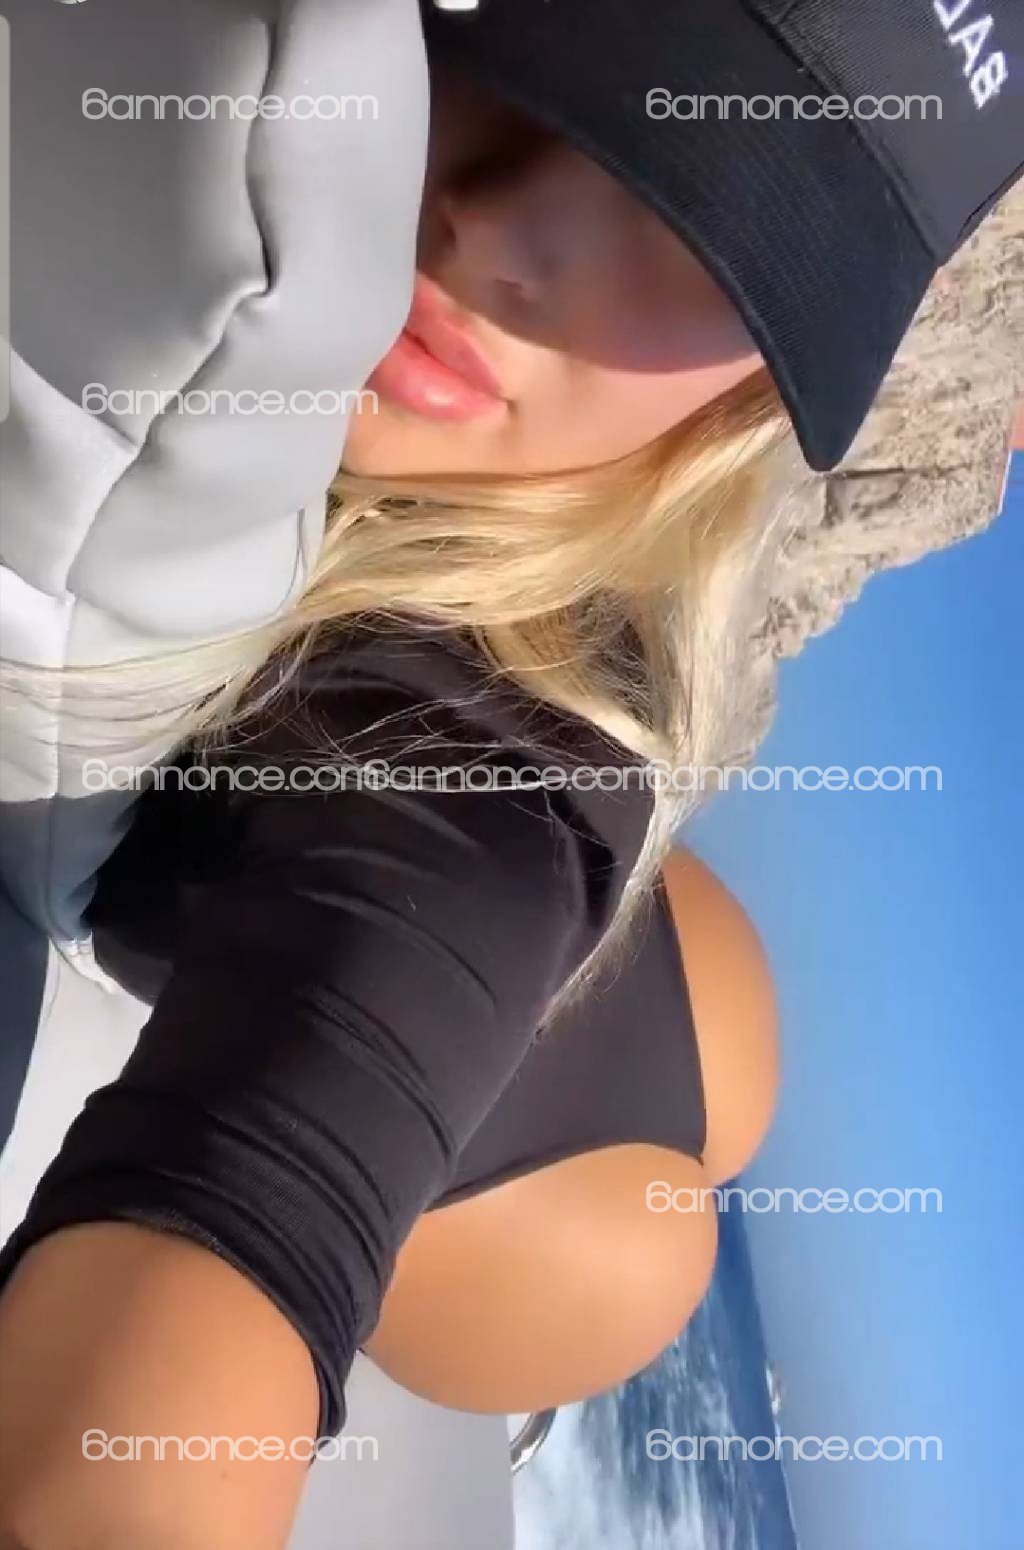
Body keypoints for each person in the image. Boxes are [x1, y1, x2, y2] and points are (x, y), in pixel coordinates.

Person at [0, 1, 1021, 1546]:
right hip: (644, 965)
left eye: (704, 228)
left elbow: (200, 1324)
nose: (503, 226)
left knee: (622, 1264)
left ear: (749, 388)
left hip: (559, 1209)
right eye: (559, 47)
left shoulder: (481, 788)